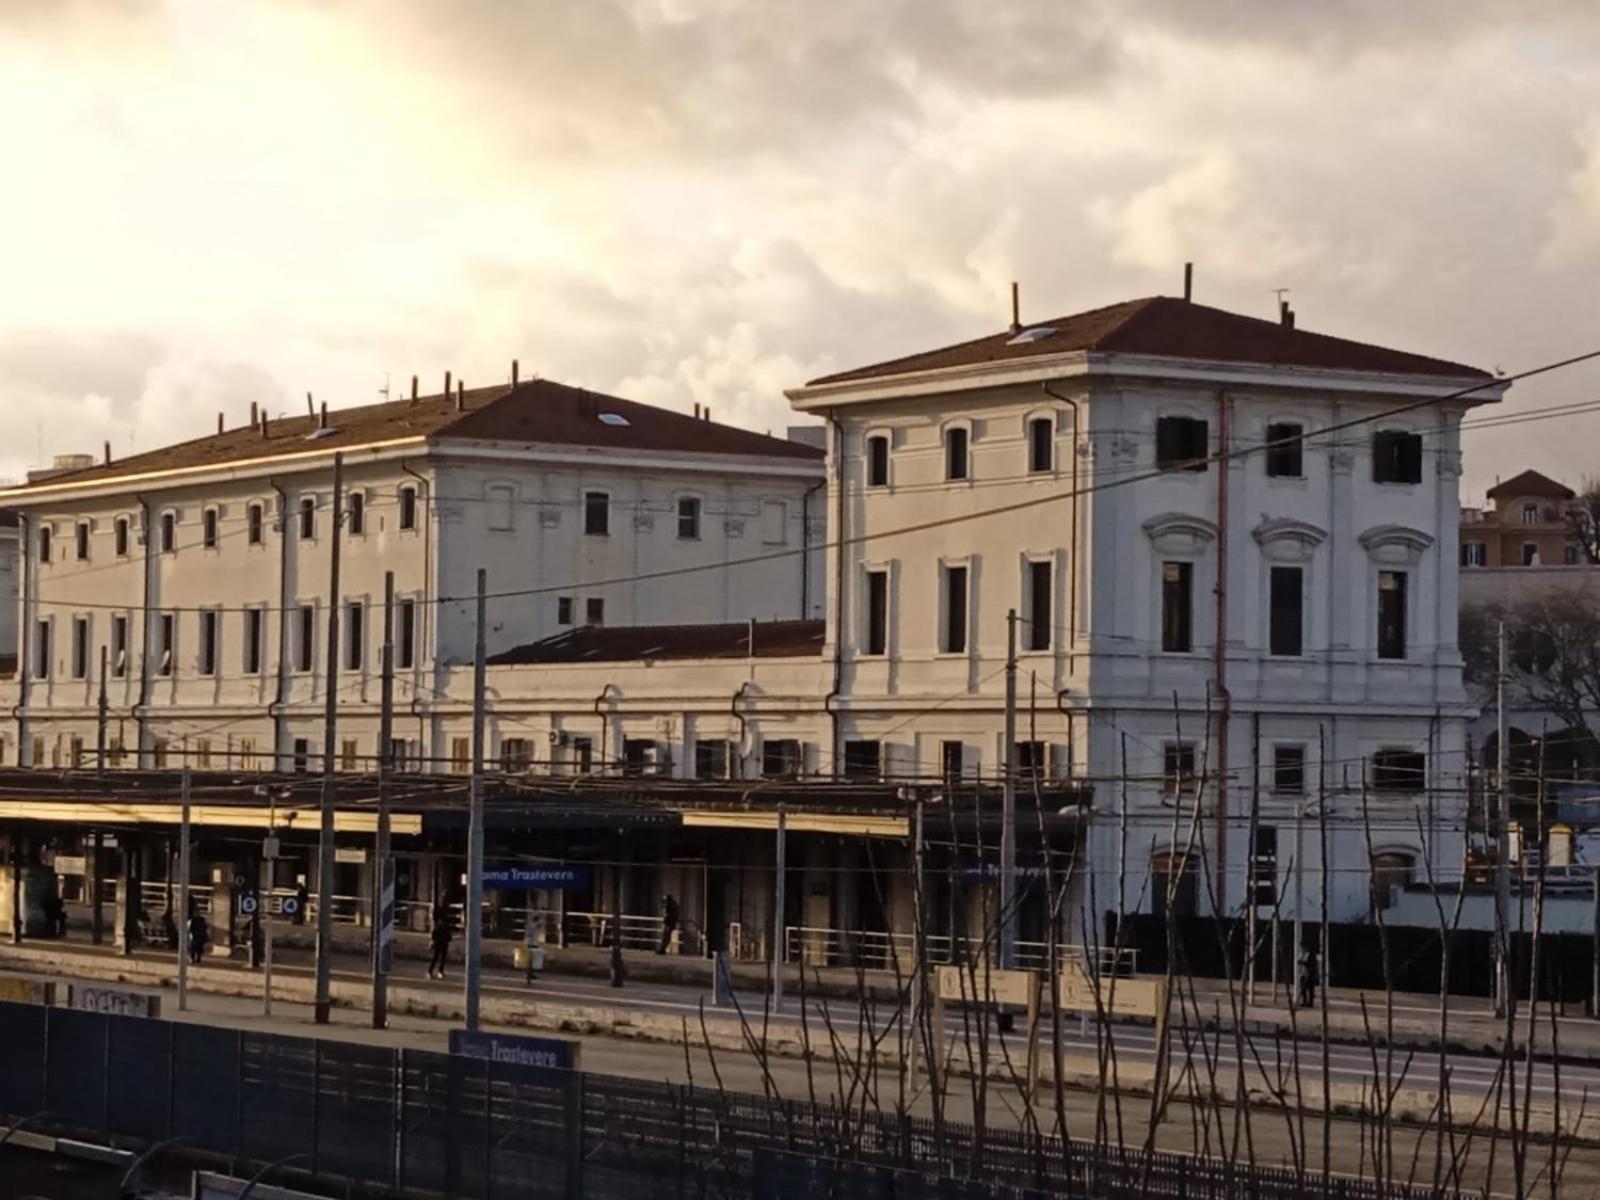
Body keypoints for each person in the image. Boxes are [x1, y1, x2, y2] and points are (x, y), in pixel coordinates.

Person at [428, 899, 454, 980]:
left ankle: (433, 971)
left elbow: (435, 930)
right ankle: (434, 971)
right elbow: (436, 930)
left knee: (438, 957)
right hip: (441, 939)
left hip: (441, 939)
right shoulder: (442, 920)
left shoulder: (441, 921)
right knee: (438, 957)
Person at [1297, 944, 1318, 1009]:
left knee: (1308, 988)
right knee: (1304, 988)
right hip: (1304, 973)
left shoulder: (1311, 954)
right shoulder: (1303, 954)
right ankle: (1306, 1001)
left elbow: (1310, 963)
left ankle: (1309, 1002)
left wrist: (1302, 962)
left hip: (1309, 974)